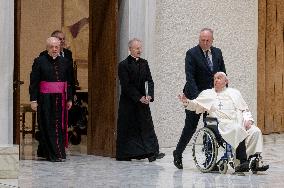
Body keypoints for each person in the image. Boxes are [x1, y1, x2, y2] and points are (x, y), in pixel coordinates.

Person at [178, 72, 269, 172]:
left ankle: (254, 160)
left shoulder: (235, 93)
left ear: (226, 81)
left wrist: (248, 120)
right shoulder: (208, 94)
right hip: (222, 125)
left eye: (219, 78)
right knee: (237, 129)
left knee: (255, 131)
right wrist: (186, 101)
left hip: (238, 122)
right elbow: (195, 104)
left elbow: (245, 109)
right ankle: (241, 162)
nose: (216, 80)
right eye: (215, 78)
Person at [173, 28, 226, 169]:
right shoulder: (191, 54)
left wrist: (224, 93)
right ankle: (178, 152)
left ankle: (209, 160)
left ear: (212, 40)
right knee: (190, 127)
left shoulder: (217, 53)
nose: (205, 42)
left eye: (208, 40)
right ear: (199, 39)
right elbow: (190, 78)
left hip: (211, 97)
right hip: (194, 95)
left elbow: (222, 74)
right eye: (202, 40)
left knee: (210, 126)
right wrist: (198, 99)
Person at [116, 38, 165, 162]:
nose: (139, 50)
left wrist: (149, 95)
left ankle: (152, 152)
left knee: (147, 126)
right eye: (137, 48)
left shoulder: (144, 63)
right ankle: (128, 154)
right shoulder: (123, 65)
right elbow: (126, 85)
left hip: (143, 102)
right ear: (130, 49)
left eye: (140, 48)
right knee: (129, 128)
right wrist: (139, 98)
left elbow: (149, 80)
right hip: (129, 103)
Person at [29, 37, 74, 162]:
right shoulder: (39, 61)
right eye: (51, 47)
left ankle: (58, 153)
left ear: (60, 47)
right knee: (47, 125)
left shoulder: (66, 62)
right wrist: (33, 100)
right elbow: (34, 82)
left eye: (56, 47)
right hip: (45, 99)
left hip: (61, 99)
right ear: (47, 48)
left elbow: (69, 82)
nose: (54, 49)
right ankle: (52, 153)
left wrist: (69, 99)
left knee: (58, 126)